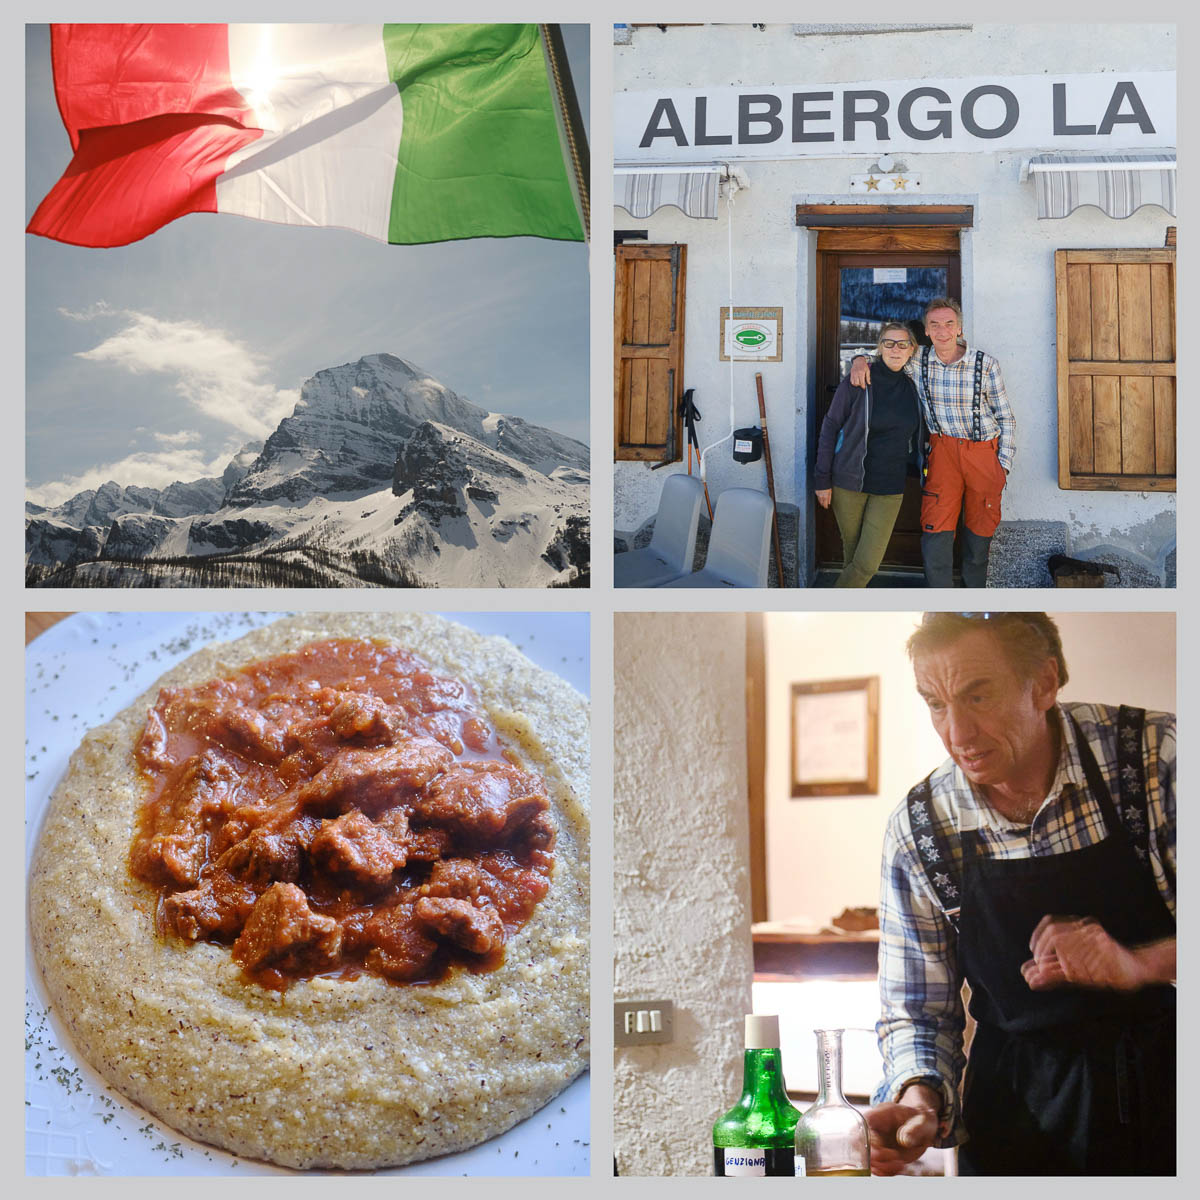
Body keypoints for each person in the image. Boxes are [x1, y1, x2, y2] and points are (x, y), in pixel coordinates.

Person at [867, 612, 1175, 1176]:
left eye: (977, 697)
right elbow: (917, 1012)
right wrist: (918, 1099)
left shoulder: (1155, 761)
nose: (957, 735)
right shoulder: (921, 828)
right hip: (1016, 1118)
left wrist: (1141, 963)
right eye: (936, 704)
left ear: (1044, 683)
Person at [849, 299, 1015, 588]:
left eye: (949, 324)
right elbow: (889, 352)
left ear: (959, 328)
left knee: (980, 529)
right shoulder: (919, 359)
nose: (942, 330)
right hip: (943, 453)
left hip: (983, 454)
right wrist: (859, 359)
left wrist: (1003, 467)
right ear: (925, 330)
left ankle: (974, 599)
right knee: (935, 527)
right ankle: (941, 599)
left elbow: (1006, 418)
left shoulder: (985, 364)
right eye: (935, 324)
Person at [813, 322, 922, 587]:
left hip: (890, 486)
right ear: (880, 347)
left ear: (912, 350)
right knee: (854, 558)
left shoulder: (915, 386)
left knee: (866, 563)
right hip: (850, 482)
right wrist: (822, 480)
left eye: (902, 344)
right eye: (889, 343)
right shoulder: (858, 381)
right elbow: (830, 428)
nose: (895, 349)